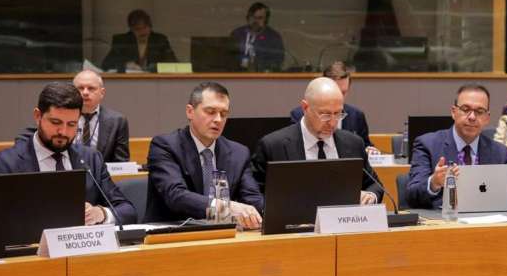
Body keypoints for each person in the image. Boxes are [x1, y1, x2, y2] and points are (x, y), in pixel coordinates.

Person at [0, 82, 137, 225]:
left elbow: (127, 211)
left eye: (72, 124)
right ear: (38, 116)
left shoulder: (91, 159)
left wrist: (101, 213)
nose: (63, 132)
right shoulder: (5, 164)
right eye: (56, 122)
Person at [145, 82, 264, 227]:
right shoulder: (166, 146)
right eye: (210, 112)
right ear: (190, 112)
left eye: (223, 114)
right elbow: (176, 196)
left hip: (222, 234)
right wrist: (225, 208)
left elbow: (253, 199)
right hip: (172, 232)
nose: (218, 119)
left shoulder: (238, 153)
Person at [252, 77, 383, 204]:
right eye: (325, 115)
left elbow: (375, 185)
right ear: (305, 108)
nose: (333, 123)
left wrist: (370, 196)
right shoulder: (273, 146)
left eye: (338, 114)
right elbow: (255, 196)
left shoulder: (353, 144)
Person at [406, 83, 507, 209]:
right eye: (465, 109)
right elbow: (412, 195)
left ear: (487, 118)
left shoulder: (499, 153)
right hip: (444, 219)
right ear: (454, 112)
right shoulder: (427, 145)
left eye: (479, 111)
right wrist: (434, 183)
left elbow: (503, 199)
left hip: (485, 219)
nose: (472, 117)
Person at [289, 62, 374, 150]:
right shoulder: (300, 114)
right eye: (335, 92)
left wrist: (369, 151)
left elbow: (365, 146)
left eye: (343, 92)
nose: (339, 97)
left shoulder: (356, 115)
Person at [72, 69, 130, 163]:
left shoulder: (117, 121)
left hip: (102, 171)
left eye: (91, 88)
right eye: (80, 88)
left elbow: (121, 162)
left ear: (102, 93)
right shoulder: (63, 118)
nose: (85, 92)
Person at [102, 9, 177, 73]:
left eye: (145, 28)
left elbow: (173, 63)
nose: (142, 32)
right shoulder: (122, 40)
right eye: (138, 29)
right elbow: (106, 64)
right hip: (130, 81)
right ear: (131, 29)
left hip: (155, 80)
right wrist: (125, 65)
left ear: (150, 26)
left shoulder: (160, 40)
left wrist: (153, 67)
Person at [230, 2, 285, 72]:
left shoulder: (273, 37)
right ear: (247, 18)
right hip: (237, 75)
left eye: (260, 18)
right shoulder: (237, 34)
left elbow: (277, 62)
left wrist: (257, 65)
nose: (255, 21)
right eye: (252, 17)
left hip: (263, 75)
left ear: (266, 20)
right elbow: (228, 57)